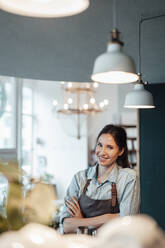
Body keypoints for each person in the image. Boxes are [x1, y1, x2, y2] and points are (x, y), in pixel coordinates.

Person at [60, 124, 140, 234]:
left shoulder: (129, 178)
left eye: (110, 147)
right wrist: (108, 218)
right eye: (100, 145)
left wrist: (80, 221)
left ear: (120, 151)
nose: (102, 152)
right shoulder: (79, 178)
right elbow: (66, 225)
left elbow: (126, 226)